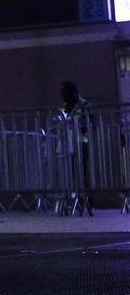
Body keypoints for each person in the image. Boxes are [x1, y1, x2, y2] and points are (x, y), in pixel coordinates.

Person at [59, 81, 92, 213]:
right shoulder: (65, 105)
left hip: (81, 143)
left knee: (83, 173)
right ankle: (73, 200)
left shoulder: (84, 105)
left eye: (64, 91)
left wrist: (79, 128)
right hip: (68, 144)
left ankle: (87, 201)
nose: (62, 94)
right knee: (70, 174)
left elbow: (91, 123)